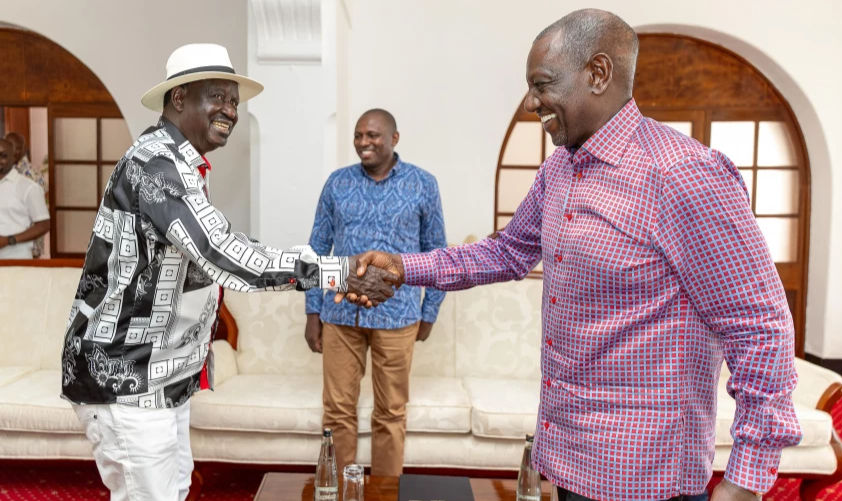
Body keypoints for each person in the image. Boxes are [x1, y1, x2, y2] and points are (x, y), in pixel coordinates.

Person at [346, 9, 801, 501]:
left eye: (541, 84)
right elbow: (505, 252)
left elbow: (759, 326)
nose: (529, 101)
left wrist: (746, 480)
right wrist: (404, 267)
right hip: (568, 459)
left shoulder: (683, 174)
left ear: (598, 74)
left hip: (645, 476)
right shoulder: (560, 169)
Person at [60, 43, 396, 501]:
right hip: (127, 378)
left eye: (234, 100)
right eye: (217, 96)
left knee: (174, 489)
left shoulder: (185, 165)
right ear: (179, 98)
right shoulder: (155, 165)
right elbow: (222, 252)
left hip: (161, 379)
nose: (230, 110)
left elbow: (215, 249)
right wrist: (338, 272)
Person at [305, 108, 447, 475]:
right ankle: (337, 493)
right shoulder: (337, 183)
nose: (364, 143)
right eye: (358, 136)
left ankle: (386, 494)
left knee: (391, 413)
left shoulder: (423, 184)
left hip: (398, 316)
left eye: (373, 135)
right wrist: (312, 312)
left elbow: (436, 251)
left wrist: (428, 312)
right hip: (339, 316)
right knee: (337, 411)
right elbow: (317, 249)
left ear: (394, 138)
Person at [0, 138, 50, 259]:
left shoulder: (28, 187)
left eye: (3, 156)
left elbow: (44, 225)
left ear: (14, 158)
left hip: (15, 259)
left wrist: (8, 240)